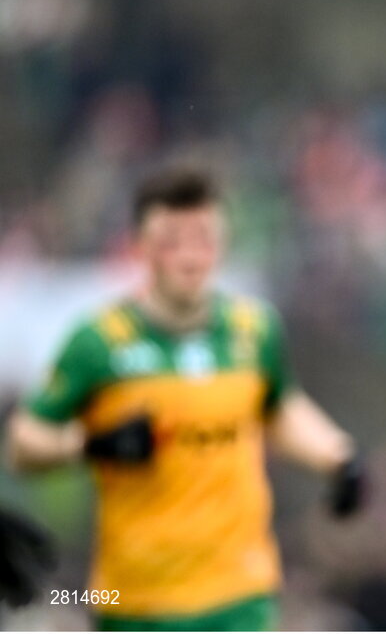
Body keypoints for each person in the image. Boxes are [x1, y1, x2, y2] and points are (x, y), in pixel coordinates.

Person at [5, 168, 363, 630]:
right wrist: (93, 444)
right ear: (140, 247)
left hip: (240, 588)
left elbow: (280, 407)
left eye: (204, 240)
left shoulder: (253, 330)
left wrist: (337, 458)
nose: (191, 257)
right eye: (173, 242)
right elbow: (23, 444)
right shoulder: (99, 343)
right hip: (138, 596)